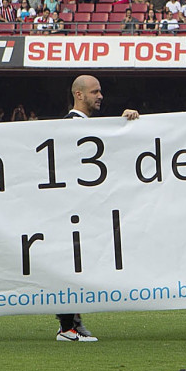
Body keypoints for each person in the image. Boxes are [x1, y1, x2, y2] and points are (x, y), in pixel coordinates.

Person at [57, 75, 140, 341]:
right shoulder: (68, 126)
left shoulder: (91, 126)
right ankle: (67, 326)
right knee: (71, 267)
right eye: (95, 92)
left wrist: (126, 124)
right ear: (78, 95)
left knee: (80, 267)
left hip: (87, 209)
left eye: (101, 91)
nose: (100, 96)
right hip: (72, 212)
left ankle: (72, 321)